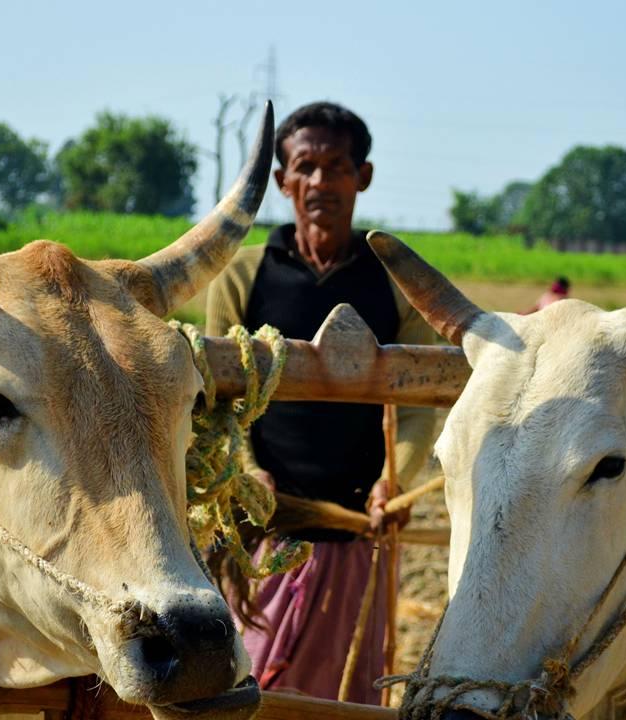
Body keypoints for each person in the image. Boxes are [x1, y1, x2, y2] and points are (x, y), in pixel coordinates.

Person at [205, 101, 436, 703]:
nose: (319, 182)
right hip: (260, 535)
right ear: (283, 182)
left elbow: (418, 403)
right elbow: (220, 402)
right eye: (304, 167)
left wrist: (396, 479)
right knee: (244, 687)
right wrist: (247, 469)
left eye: (336, 167)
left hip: (358, 529)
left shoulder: (396, 282)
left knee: (344, 691)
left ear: (363, 176)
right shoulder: (243, 279)